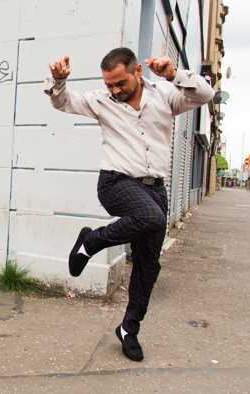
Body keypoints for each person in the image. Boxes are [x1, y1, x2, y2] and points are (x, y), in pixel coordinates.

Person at [45, 47, 214, 362]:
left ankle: (128, 329)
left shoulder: (165, 94)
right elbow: (63, 101)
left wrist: (173, 74)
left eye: (120, 83)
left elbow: (205, 95)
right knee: (150, 218)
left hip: (155, 189)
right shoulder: (102, 101)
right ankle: (91, 241)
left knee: (148, 267)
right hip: (116, 183)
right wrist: (58, 80)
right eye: (109, 84)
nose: (114, 90)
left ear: (137, 72)